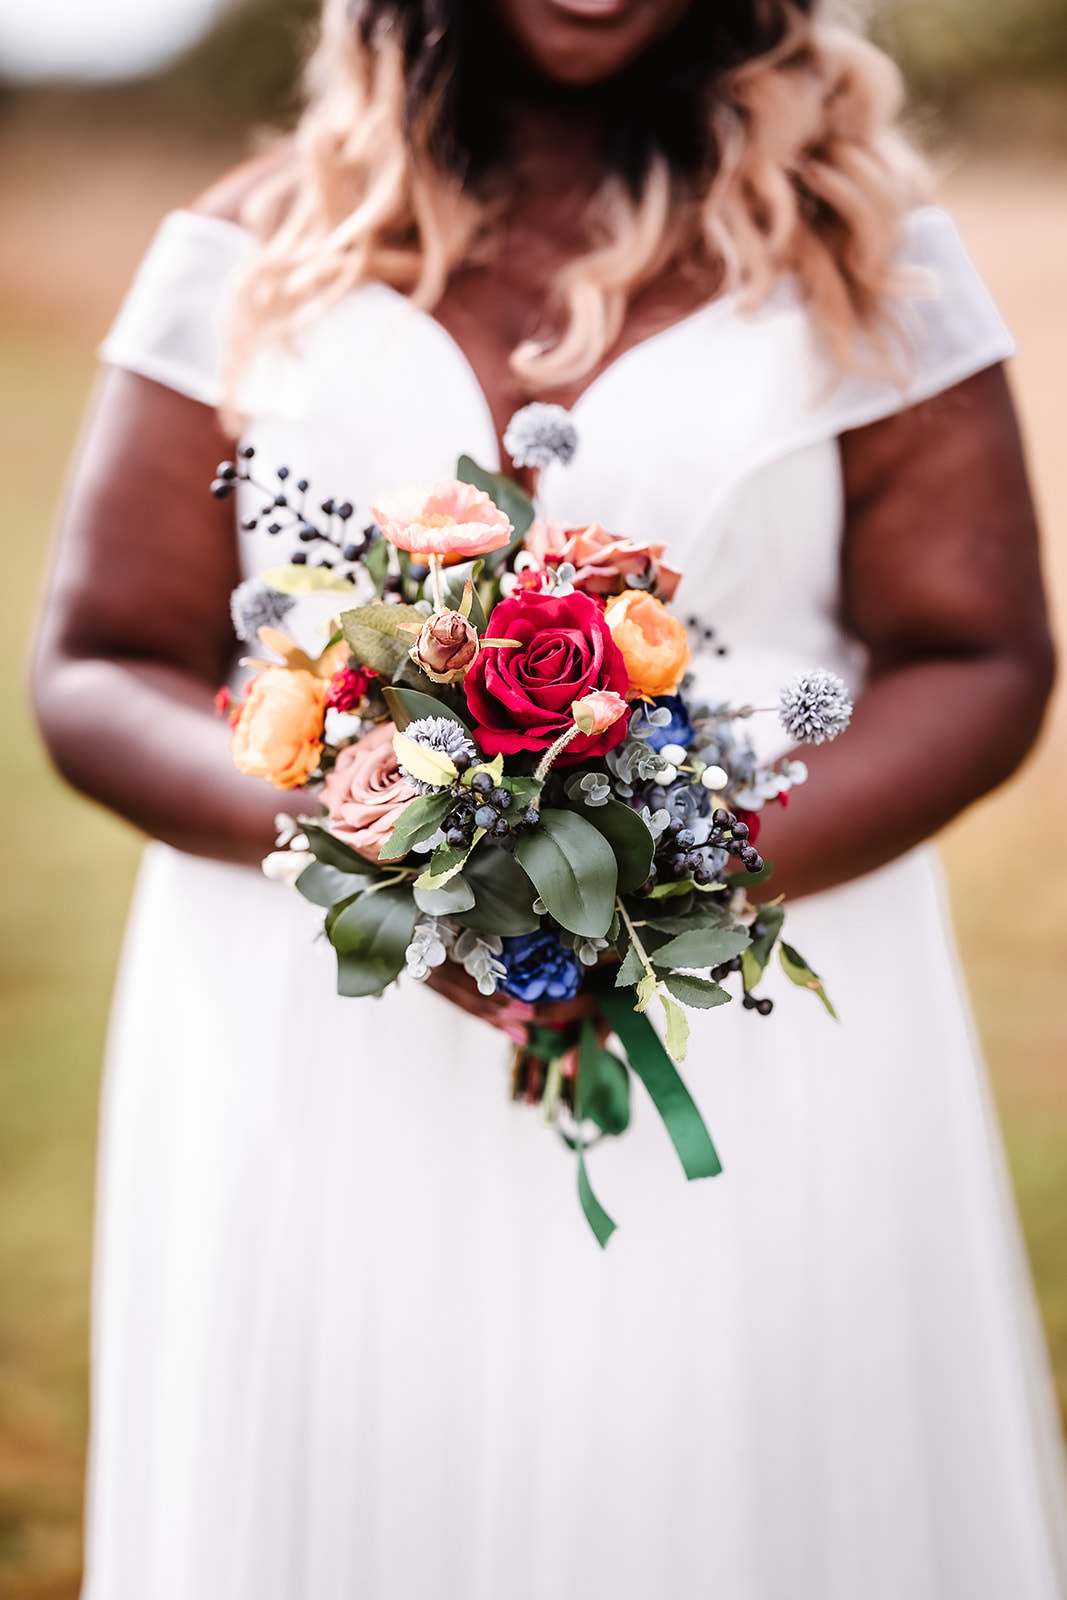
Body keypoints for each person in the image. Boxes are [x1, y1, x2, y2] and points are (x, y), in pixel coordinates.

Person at [33, 1, 1067, 1595]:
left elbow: (982, 656)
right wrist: (378, 842)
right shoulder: (254, 245)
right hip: (325, 1017)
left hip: (733, 1012)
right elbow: (98, 665)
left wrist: (655, 890)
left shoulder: (863, 251)